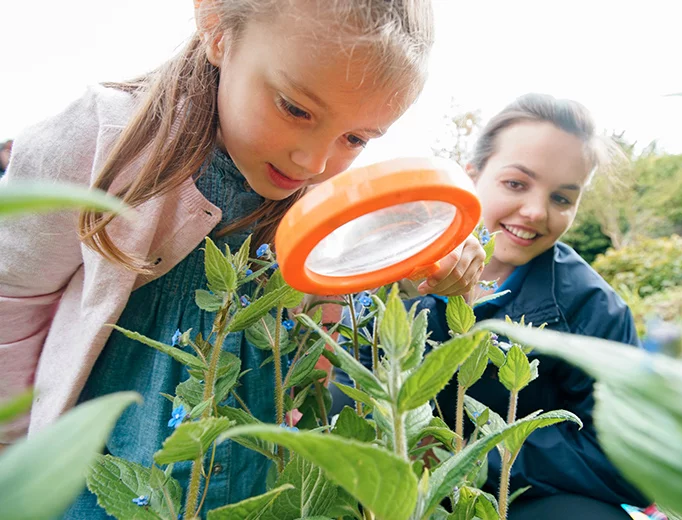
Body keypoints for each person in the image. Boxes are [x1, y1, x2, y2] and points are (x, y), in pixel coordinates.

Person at [0, 1, 486, 516]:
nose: (314, 161)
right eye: (296, 108)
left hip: (253, 478)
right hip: (99, 473)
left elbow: (359, 273)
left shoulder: (321, 194)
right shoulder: (105, 137)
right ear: (216, 28)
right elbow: (13, 300)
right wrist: (15, 458)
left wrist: (431, 257)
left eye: (356, 138)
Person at [332, 93, 651, 519]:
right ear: (472, 177)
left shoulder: (592, 306)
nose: (536, 211)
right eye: (516, 184)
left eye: (562, 198)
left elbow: (628, 462)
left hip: (517, 499)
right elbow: (345, 392)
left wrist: (469, 454)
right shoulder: (400, 265)